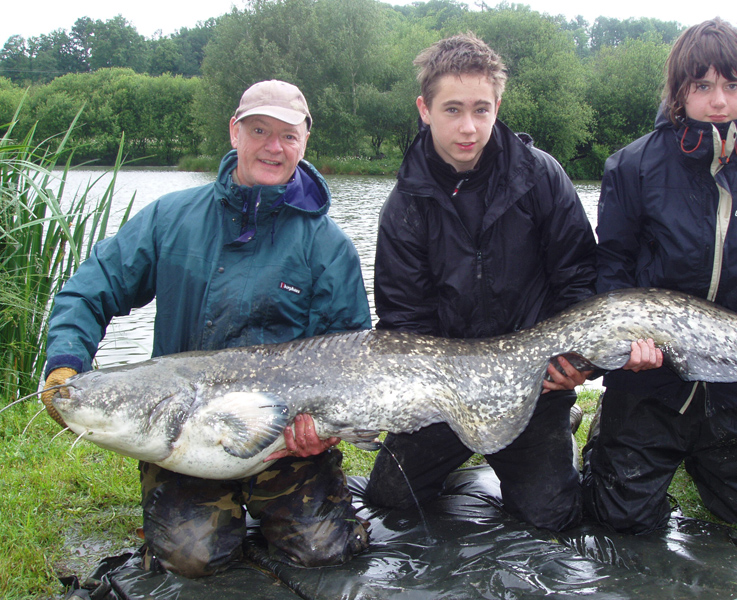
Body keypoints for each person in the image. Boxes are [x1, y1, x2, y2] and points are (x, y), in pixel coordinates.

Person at [40, 80, 371, 577]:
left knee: (324, 553)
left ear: (305, 142)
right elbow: (89, 289)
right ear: (234, 131)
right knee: (191, 558)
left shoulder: (329, 247)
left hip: (287, 445)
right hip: (184, 438)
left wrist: (326, 432)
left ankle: (303, 509)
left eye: (288, 135)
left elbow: (352, 355)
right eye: (259, 130)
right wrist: (66, 363)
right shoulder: (170, 219)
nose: (273, 147)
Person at [582, 18, 737, 534]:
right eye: (703, 86)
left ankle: (708, 456)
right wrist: (627, 345)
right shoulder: (632, 166)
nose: (719, 100)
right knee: (618, 518)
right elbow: (613, 269)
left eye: (732, 85)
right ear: (680, 92)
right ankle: (611, 428)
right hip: (650, 380)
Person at [364, 32, 612, 532]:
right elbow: (403, 322)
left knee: (551, 519)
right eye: (452, 109)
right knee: (388, 500)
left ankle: (566, 421)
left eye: (481, 109)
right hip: (445, 396)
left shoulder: (542, 177)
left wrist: (575, 364)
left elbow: (579, 279)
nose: (468, 127)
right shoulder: (404, 206)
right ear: (424, 109)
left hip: (534, 385)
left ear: (498, 106)